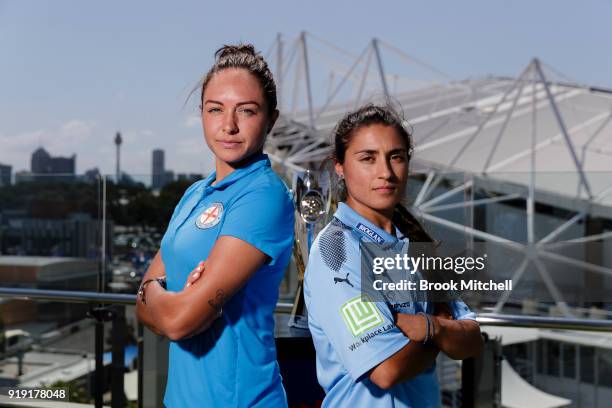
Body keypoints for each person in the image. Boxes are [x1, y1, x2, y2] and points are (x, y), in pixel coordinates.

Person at [136, 44, 294, 407]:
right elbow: (144, 305)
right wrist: (171, 300)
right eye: (215, 109)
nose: (229, 125)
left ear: (271, 119)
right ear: (202, 114)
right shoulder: (194, 194)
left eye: (247, 111)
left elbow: (174, 322)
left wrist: (162, 296)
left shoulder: (264, 196)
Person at [304, 104, 484, 407]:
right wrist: (442, 333)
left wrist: (430, 327)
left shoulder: (414, 244)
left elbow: (473, 341)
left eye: (396, 157)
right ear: (340, 166)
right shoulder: (335, 248)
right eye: (368, 158)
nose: (385, 173)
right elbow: (387, 370)